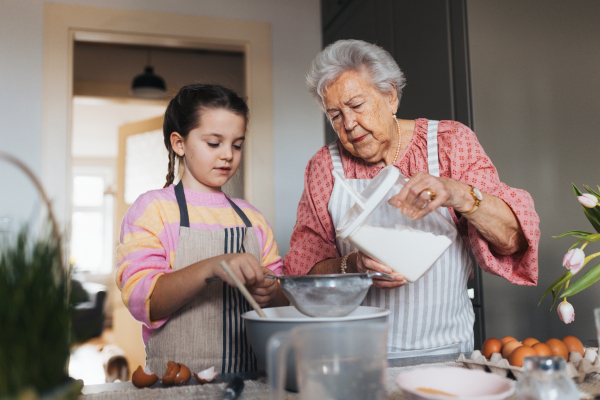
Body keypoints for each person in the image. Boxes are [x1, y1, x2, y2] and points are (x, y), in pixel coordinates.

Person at [285, 39, 540, 355]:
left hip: (447, 351)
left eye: (356, 105)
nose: (348, 124)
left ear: (390, 96)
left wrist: (459, 194)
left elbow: (512, 239)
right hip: (355, 354)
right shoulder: (325, 166)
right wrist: (353, 266)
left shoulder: (449, 143)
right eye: (335, 115)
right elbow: (304, 273)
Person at [116, 83, 288, 376]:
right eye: (214, 143)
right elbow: (144, 302)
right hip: (174, 387)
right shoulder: (153, 210)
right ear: (179, 143)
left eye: (237, 144)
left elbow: (284, 299)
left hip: (249, 382)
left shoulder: (252, 219)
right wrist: (213, 266)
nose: (227, 155)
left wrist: (271, 291)